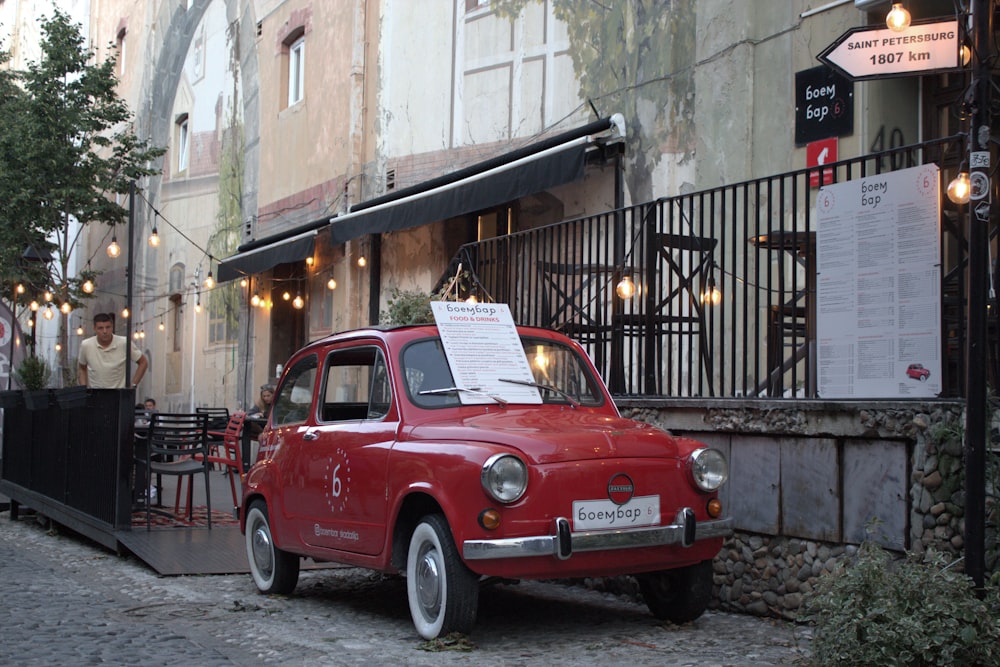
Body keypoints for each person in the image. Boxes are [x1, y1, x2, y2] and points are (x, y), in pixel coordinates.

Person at [78, 312, 148, 389]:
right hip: (95, 394)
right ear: (94, 329)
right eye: (100, 328)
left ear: (112, 327)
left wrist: (133, 385)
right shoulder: (86, 345)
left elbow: (143, 362)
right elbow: (82, 368)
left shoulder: (124, 343)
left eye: (108, 327)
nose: (105, 331)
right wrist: (83, 390)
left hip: (119, 393)